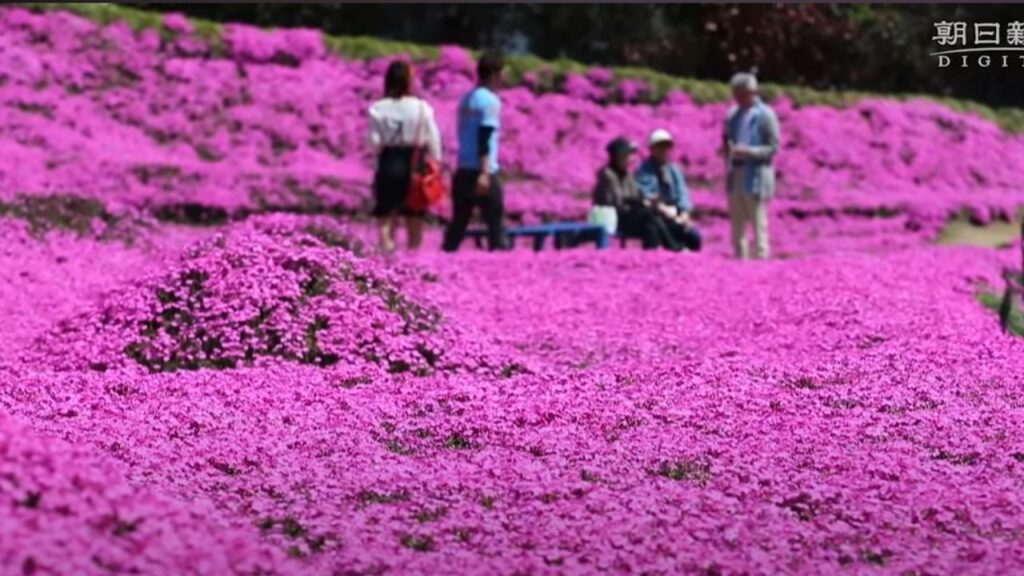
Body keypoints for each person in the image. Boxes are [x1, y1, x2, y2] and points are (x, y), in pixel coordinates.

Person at [367, 60, 442, 252]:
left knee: (385, 214)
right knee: (414, 216)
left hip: (388, 163)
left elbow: (373, 143)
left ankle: (386, 248)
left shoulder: (378, 108)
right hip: (414, 164)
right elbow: (433, 140)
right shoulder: (422, 107)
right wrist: (436, 164)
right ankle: (412, 256)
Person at [442, 51, 507, 253]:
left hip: (463, 167)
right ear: (495, 74)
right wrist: (485, 173)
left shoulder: (466, 99)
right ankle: (500, 266)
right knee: (495, 225)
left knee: (459, 223)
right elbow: (484, 137)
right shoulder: (490, 101)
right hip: (482, 170)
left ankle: (444, 259)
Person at [723, 72, 780, 260]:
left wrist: (748, 151)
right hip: (735, 171)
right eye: (735, 94)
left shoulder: (765, 115)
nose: (736, 98)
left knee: (758, 223)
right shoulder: (733, 115)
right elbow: (728, 137)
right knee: (737, 224)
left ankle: (762, 264)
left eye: (740, 94)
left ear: (751, 92)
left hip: (755, 174)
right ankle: (741, 263)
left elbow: (773, 148)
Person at [634, 129, 703, 252]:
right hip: (656, 214)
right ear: (652, 149)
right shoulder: (644, 169)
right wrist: (665, 209)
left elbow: (682, 193)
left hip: (675, 214)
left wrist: (684, 214)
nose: (664, 150)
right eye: (659, 147)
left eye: (666, 147)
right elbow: (646, 193)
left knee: (694, 238)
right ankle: (677, 249)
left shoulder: (674, 170)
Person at [591, 137, 664, 249]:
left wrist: (647, 200)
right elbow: (618, 201)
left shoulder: (627, 174)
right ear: (617, 157)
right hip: (614, 219)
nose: (631, 159)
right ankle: (662, 250)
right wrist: (641, 202)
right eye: (627, 155)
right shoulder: (608, 175)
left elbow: (635, 194)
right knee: (649, 218)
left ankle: (659, 250)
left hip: (628, 216)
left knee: (653, 220)